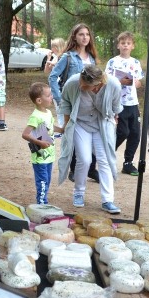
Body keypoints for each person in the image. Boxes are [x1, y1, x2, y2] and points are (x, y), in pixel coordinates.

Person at [56, 64, 123, 214]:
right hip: (80, 123)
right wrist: (66, 125)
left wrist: (112, 124)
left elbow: (116, 108)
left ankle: (108, 200)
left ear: (97, 84)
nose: (81, 84)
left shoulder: (113, 85)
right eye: (81, 80)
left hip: (102, 124)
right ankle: (79, 192)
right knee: (85, 159)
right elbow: (65, 102)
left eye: (85, 85)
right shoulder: (73, 83)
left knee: (104, 159)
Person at [49, 23, 100, 181]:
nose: (85, 37)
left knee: (90, 133)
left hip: (89, 103)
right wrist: (60, 98)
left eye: (87, 34)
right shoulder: (68, 57)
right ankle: (73, 169)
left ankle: (90, 168)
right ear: (74, 37)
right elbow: (52, 77)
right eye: (81, 34)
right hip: (72, 102)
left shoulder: (91, 57)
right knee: (72, 133)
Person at [105, 31, 143, 176]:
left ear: (132, 46)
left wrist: (134, 81)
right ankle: (105, 155)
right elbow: (105, 80)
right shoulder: (113, 62)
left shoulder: (136, 62)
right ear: (118, 45)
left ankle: (128, 163)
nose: (125, 46)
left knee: (135, 134)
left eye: (128, 43)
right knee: (122, 132)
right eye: (123, 43)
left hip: (133, 103)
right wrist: (119, 81)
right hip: (118, 103)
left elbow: (139, 83)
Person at [22, 82, 58, 204]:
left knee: (47, 180)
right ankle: (42, 204)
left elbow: (51, 126)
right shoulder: (35, 116)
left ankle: (43, 202)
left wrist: (63, 129)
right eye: (48, 96)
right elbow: (25, 134)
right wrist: (39, 142)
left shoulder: (48, 112)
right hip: (40, 157)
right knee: (42, 181)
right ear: (39, 100)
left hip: (49, 155)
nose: (51, 97)